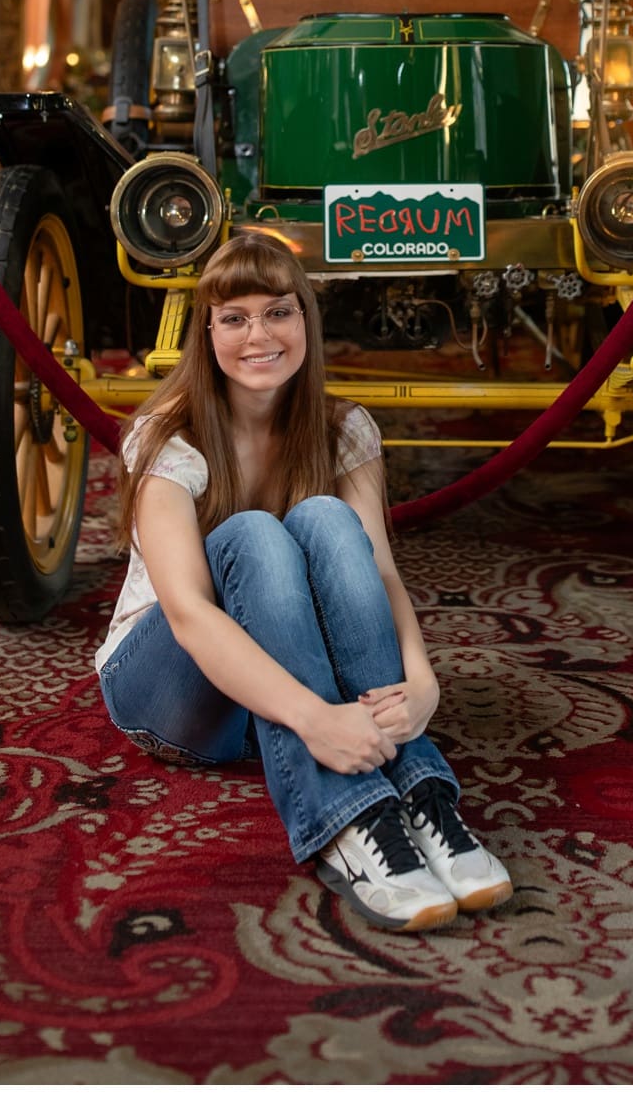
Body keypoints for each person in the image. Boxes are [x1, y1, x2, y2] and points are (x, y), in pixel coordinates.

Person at [96, 232, 512, 932]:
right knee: (255, 534)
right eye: (234, 318)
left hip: (274, 685)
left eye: (278, 312)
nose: (258, 335)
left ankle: (419, 798)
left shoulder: (344, 430)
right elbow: (191, 615)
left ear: (306, 322)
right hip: (167, 688)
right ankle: (349, 826)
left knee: (321, 516)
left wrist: (422, 682)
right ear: (208, 333)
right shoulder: (169, 437)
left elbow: (379, 570)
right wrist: (318, 719)